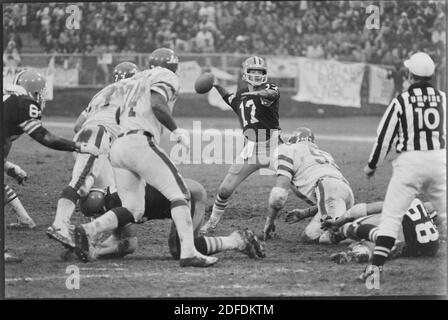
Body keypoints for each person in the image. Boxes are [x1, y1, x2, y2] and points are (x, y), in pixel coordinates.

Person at [72, 48, 217, 268]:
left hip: (119, 146)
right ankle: (188, 252)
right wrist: (176, 131)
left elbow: (119, 114)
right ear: (174, 66)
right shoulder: (166, 76)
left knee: (133, 209)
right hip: (140, 141)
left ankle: (89, 229)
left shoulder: (135, 80)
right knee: (180, 194)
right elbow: (157, 103)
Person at [360, 52, 446, 282]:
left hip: (409, 164)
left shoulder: (402, 100)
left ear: (409, 74)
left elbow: (383, 138)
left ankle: (374, 271)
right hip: (439, 161)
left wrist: (372, 166)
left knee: (391, 218)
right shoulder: (443, 99)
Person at [3, 70, 100, 263]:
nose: (42, 98)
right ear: (34, 92)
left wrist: (9, 168)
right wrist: (77, 146)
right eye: (41, 93)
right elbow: (44, 137)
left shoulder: (10, 100)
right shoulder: (24, 103)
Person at [46, 62, 138, 249]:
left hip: (87, 138)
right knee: (80, 184)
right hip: (97, 137)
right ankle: (59, 225)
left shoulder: (102, 93)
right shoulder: (133, 93)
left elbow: (77, 126)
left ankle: (90, 236)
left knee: (107, 193)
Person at [66, 178, 265, 261]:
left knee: (182, 249)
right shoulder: (114, 195)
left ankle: (238, 240)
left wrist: (95, 251)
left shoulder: (115, 203)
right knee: (180, 248)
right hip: (181, 196)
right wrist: (95, 249)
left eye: (99, 216)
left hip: (190, 196)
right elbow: (122, 240)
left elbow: (127, 244)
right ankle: (237, 240)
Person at [200, 56, 281, 234]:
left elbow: (271, 94)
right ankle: (212, 223)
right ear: (245, 73)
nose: (257, 75)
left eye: (260, 72)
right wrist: (215, 85)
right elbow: (229, 99)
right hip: (252, 149)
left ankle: (324, 214)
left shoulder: (269, 88)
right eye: (253, 71)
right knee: (224, 189)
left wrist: (254, 93)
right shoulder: (241, 95)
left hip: (275, 147)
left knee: (300, 187)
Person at [264, 127, 354, 243]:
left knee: (335, 234)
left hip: (327, 188)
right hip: (345, 192)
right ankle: (356, 229)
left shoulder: (287, 150)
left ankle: (365, 236)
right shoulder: (324, 154)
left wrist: (270, 220)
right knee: (308, 237)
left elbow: (279, 195)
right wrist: (305, 213)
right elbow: (330, 196)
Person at [285, 199, 440, 262]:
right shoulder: (421, 203)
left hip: (410, 245)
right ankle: (358, 253)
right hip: (432, 247)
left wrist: (341, 222)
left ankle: (380, 246)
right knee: (363, 242)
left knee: (353, 228)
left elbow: (360, 211)